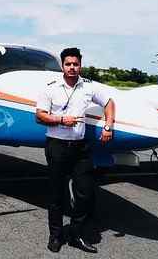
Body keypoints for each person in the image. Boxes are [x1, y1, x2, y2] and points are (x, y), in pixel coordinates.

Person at [36, 47, 115, 253]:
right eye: (68, 64)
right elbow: (39, 116)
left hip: (80, 148)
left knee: (86, 193)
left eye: (76, 64)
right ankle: (55, 235)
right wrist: (61, 119)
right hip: (57, 146)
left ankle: (76, 233)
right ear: (62, 66)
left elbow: (109, 102)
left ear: (80, 65)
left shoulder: (89, 87)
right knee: (56, 195)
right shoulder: (50, 88)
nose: (72, 67)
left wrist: (108, 125)